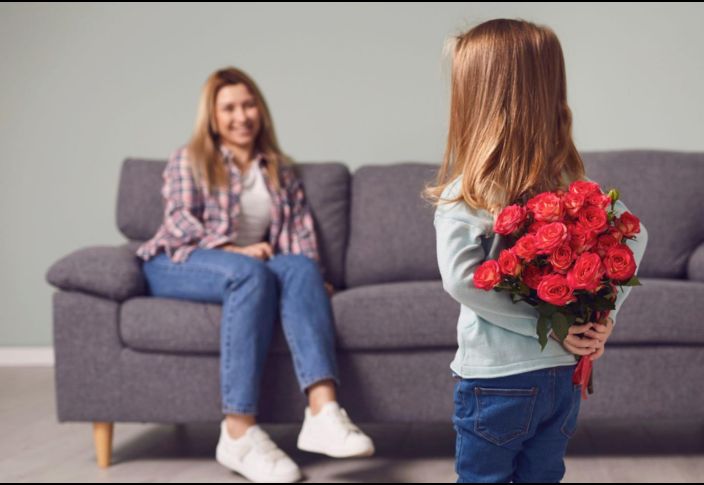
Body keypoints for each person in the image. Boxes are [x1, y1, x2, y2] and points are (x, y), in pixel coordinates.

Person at [424, 19, 649, 482]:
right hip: (561, 381)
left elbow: (461, 278)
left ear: (478, 100)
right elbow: (635, 238)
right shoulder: (574, 188)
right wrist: (592, 326)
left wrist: (551, 327)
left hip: (496, 383)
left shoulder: (468, 194)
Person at [136, 67, 374, 483]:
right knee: (250, 274)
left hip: (250, 266)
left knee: (299, 267)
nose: (241, 116)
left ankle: (322, 411)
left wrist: (311, 282)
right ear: (211, 116)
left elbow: (298, 236)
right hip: (178, 262)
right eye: (228, 107)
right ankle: (238, 432)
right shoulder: (188, 159)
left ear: (260, 110)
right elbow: (178, 225)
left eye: (248, 105)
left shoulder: (279, 170)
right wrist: (233, 248)